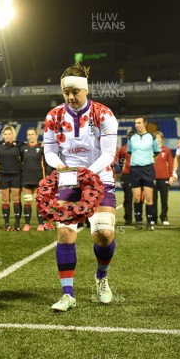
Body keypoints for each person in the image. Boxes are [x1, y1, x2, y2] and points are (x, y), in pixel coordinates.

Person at [43, 62, 118, 311]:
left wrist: (85, 174)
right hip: (68, 179)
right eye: (66, 93)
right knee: (65, 233)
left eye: (75, 91)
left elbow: (108, 155)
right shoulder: (53, 116)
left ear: (86, 89)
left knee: (104, 235)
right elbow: (50, 152)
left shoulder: (104, 114)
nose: (71, 97)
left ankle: (101, 277)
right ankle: (68, 294)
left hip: (100, 178)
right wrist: (64, 170)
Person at [127, 116, 159, 230]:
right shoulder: (131, 137)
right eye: (135, 123)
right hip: (135, 169)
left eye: (139, 123)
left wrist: (146, 160)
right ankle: (138, 222)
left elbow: (156, 152)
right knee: (136, 198)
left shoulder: (152, 137)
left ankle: (149, 223)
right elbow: (130, 152)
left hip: (148, 169)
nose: (137, 125)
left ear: (145, 124)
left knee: (149, 198)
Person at [20, 127, 53, 232]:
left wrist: (47, 176)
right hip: (26, 178)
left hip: (39, 179)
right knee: (28, 201)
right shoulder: (23, 149)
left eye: (32, 134)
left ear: (36, 135)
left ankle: (40, 224)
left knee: (38, 202)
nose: (31, 136)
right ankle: (27, 224)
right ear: (27, 136)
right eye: (29, 134)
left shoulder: (42, 148)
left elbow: (47, 163)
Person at [0, 125, 23, 231]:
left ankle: (16, 223)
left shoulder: (19, 145)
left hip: (16, 175)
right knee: (5, 200)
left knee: (16, 200)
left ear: (13, 135)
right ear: (3, 135)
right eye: (5, 134)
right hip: (3, 175)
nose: (7, 136)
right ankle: (6, 223)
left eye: (9, 134)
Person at [153, 131, 173, 226]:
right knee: (153, 199)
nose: (158, 139)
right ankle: (153, 218)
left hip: (164, 178)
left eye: (159, 137)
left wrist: (171, 176)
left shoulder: (167, 150)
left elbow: (171, 164)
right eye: (156, 137)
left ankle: (164, 217)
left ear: (162, 139)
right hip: (152, 178)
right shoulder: (151, 150)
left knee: (164, 199)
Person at [116, 130, 134, 225]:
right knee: (128, 197)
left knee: (139, 197)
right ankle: (128, 217)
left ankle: (138, 217)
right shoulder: (123, 149)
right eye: (130, 137)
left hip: (137, 174)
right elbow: (120, 162)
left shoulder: (139, 148)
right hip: (127, 175)